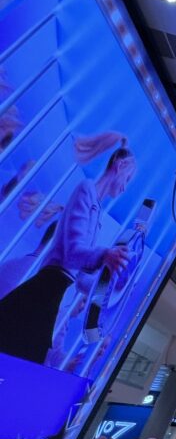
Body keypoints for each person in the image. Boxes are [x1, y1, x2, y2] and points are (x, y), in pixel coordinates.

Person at [0, 135, 136, 364]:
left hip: (52, 294)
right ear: (119, 166)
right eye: (128, 178)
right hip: (44, 292)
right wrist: (106, 255)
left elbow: (82, 279)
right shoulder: (85, 190)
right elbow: (73, 253)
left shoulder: (96, 212)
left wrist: (114, 285)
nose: (125, 186)